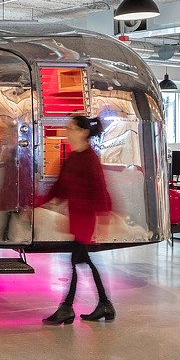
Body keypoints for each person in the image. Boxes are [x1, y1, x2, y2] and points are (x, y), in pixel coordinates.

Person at [39, 115, 115, 325]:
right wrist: (38, 203)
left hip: (86, 219)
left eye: (71, 128)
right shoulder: (74, 157)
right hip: (77, 217)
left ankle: (67, 308)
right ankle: (104, 304)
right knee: (82, 261)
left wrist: (104, 223)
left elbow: (101, 192)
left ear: (83, 132)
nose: (67, 132)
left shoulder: (90, 159)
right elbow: (60, 186)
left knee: (76, 261)